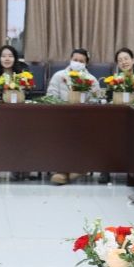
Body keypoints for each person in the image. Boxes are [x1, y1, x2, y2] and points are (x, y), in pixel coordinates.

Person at [46, 49, 101, 186]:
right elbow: (50, 97)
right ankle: (62, 170)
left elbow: (96, 101)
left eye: (81, 61)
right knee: (61, 131)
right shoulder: (59, 76)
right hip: (60, 117)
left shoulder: (91, 80)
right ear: (70, 59)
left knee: (80, 131)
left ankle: (76, 167)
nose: (77, 63)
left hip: (83, 118)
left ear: (86, 63)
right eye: (75, 60)